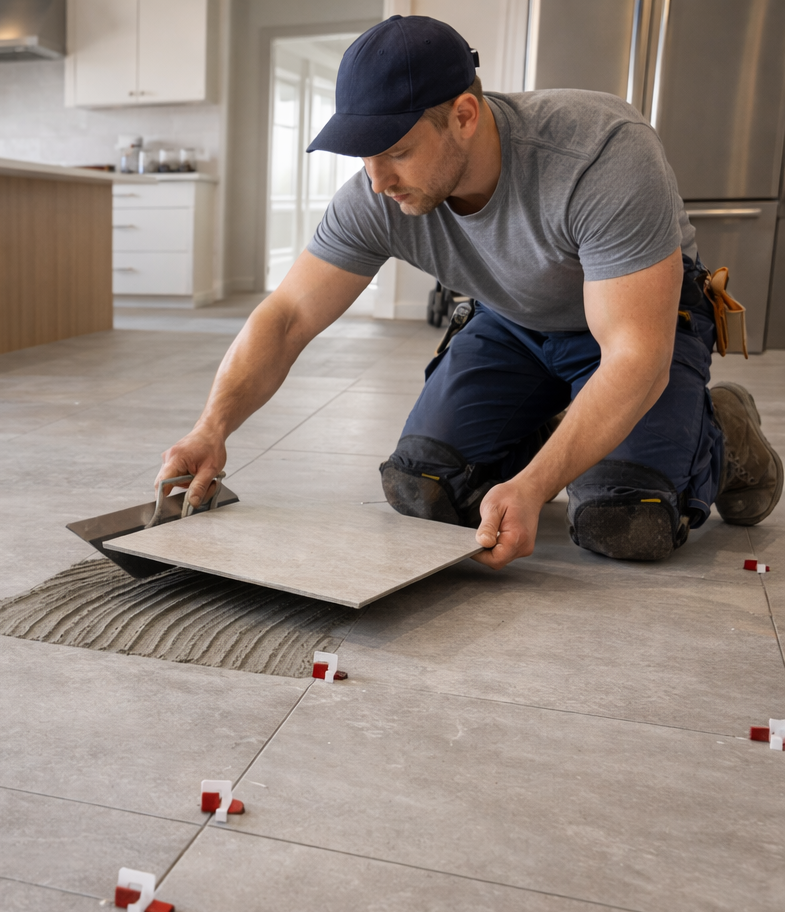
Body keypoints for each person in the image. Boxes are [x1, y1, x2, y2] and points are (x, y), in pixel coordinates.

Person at [159, 15, 781, 567]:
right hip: (513, 321)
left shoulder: (599, 153)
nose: (377, 182)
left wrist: (535, 486)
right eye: (364, 157)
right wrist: (213, 426)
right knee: (425, 489)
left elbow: (634, 357)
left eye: (398, 151)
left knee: (626, 521)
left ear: (463, 114)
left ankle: (723, 428)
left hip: (637, 329)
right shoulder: (377, 193)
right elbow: (290, 315)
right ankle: (559, 424)